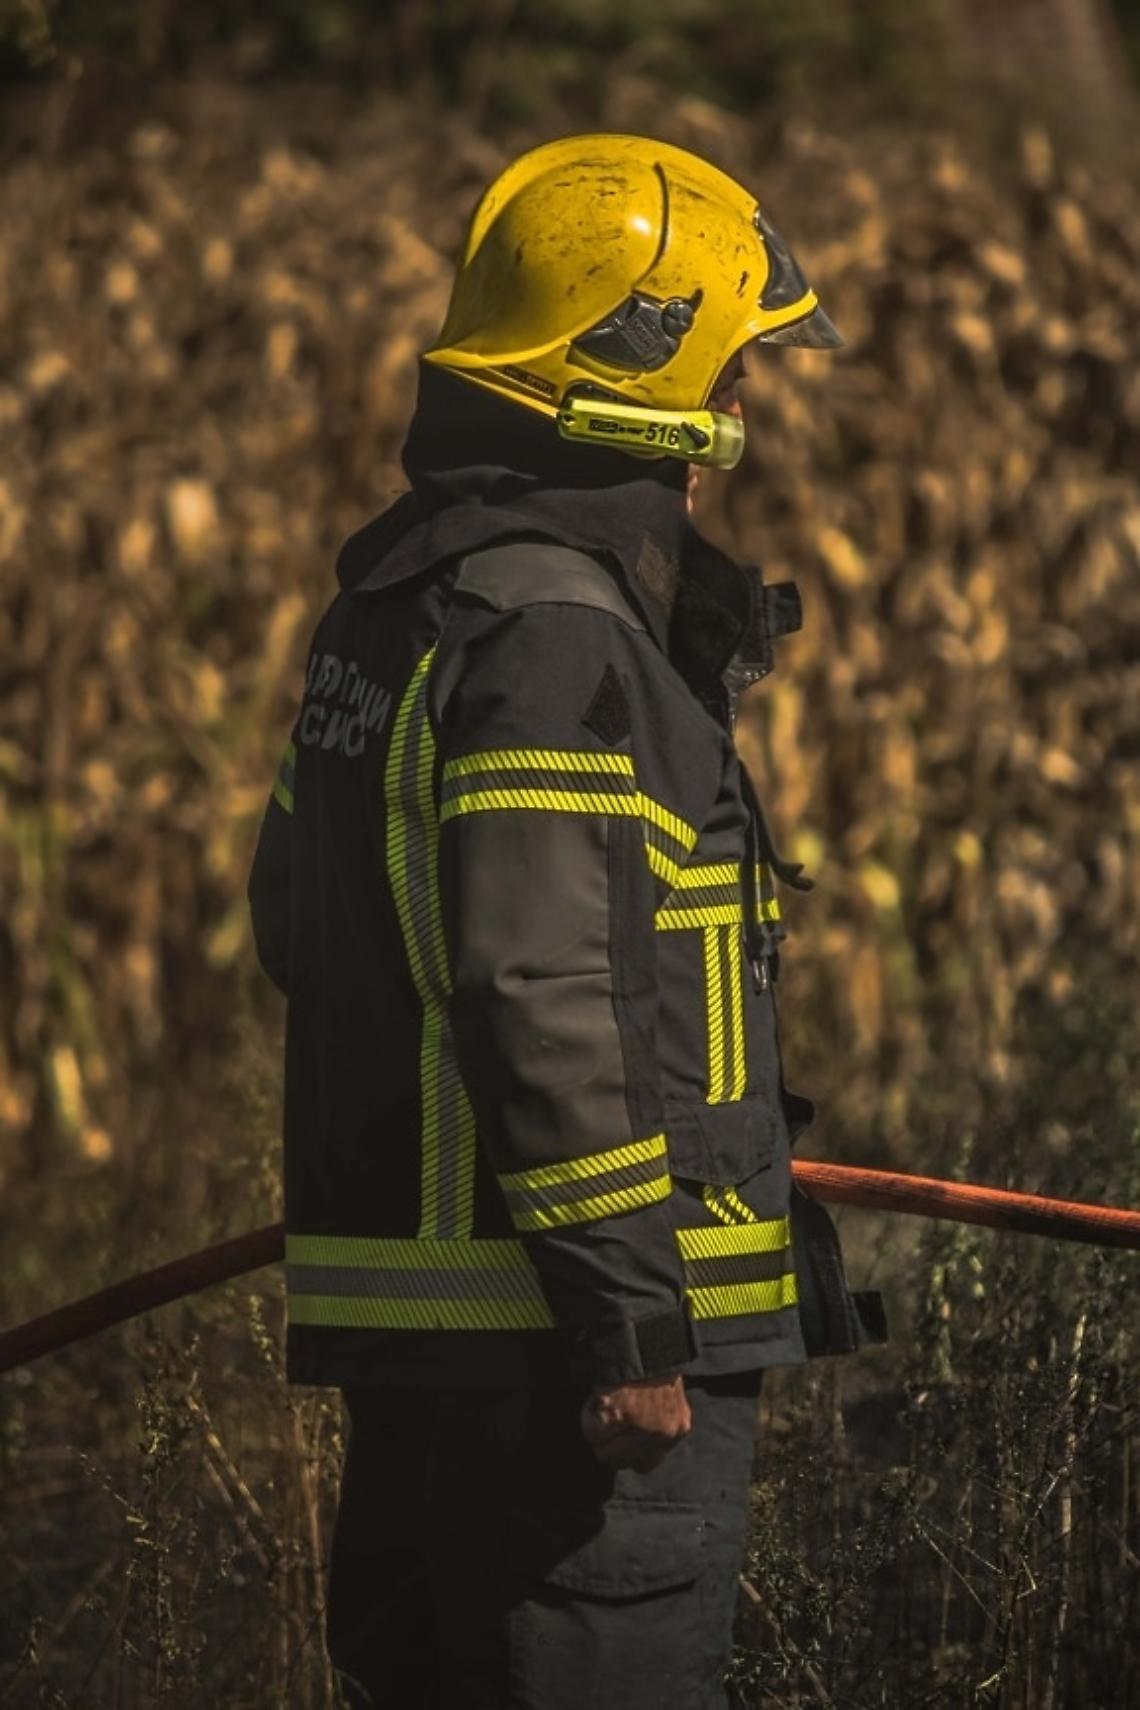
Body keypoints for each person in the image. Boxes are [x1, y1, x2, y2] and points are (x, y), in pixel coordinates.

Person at [248, 132, 884, 1710]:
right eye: (730, 373)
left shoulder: (396, 606)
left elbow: (293, 916)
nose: (738, 417)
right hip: (573, 1383)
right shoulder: (558, 635)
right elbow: (538, 978)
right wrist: (627, 1316)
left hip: (437, 1361)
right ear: (634, 376)